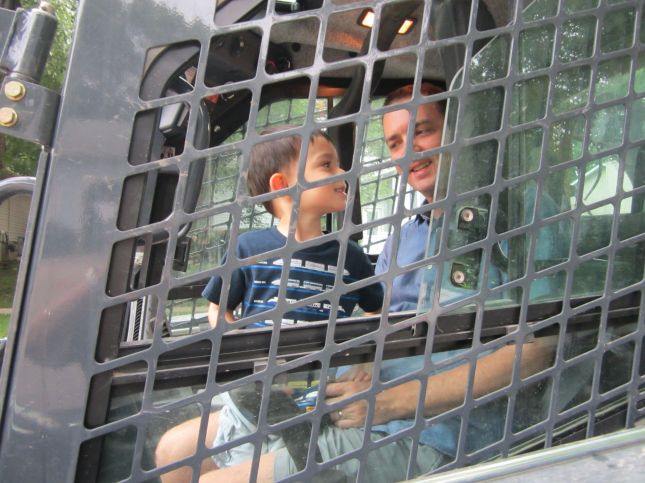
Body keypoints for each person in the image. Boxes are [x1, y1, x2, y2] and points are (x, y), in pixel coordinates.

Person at [194, 82, 557, 482]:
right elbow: (370, 321)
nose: (409, 152)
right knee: (176, 451)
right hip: (345, 398)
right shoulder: (403, 237)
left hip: (428, 429)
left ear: (460, 131)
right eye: (395, 143)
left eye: (423, 131)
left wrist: (390, 402)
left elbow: (539, 349)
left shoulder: (517, 212)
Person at [155, 127, 382, 482]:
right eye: (326, 165)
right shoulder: (249, 248)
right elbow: (218, 309)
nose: (342, 173)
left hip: (315, 401)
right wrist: (242, 350)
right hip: (254, 397)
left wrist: (363, 362)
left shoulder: (350, 257)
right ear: (282, 185)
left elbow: (376, 311)